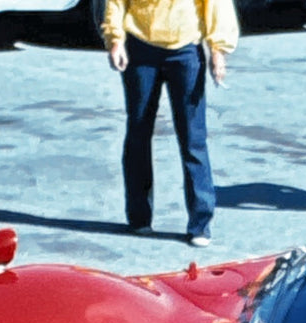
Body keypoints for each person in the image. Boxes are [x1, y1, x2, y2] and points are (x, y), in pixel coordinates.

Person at [101, 0, 238, 247]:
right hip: (140, 47)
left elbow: (216, 5)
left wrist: (218, 50)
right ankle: (139, 218)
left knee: (193, 139)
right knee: (138, 132)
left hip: (185, 50)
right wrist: (115, 40)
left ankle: (200, 224)